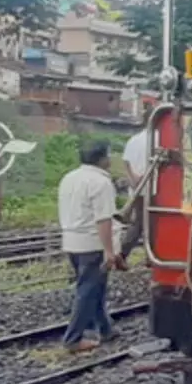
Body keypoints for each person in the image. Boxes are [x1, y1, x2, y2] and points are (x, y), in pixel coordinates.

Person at [59, 141, 127, 352]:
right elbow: (103, 219)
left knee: (95, 288)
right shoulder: (101, 183)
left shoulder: (69, 178)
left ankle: (106, 329)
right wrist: (109, 250)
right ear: (103, 158)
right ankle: (73, 338)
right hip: (92, 243)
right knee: (88, 291)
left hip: (71, 241)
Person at [117, 126, 151, 259]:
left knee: (140, 223)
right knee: (143, 224)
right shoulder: (157, 138)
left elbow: (125, 161)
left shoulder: (133, 139)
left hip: (136, 188)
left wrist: (132, 178)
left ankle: (149, 257)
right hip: (150, 190)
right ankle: (122, 254)